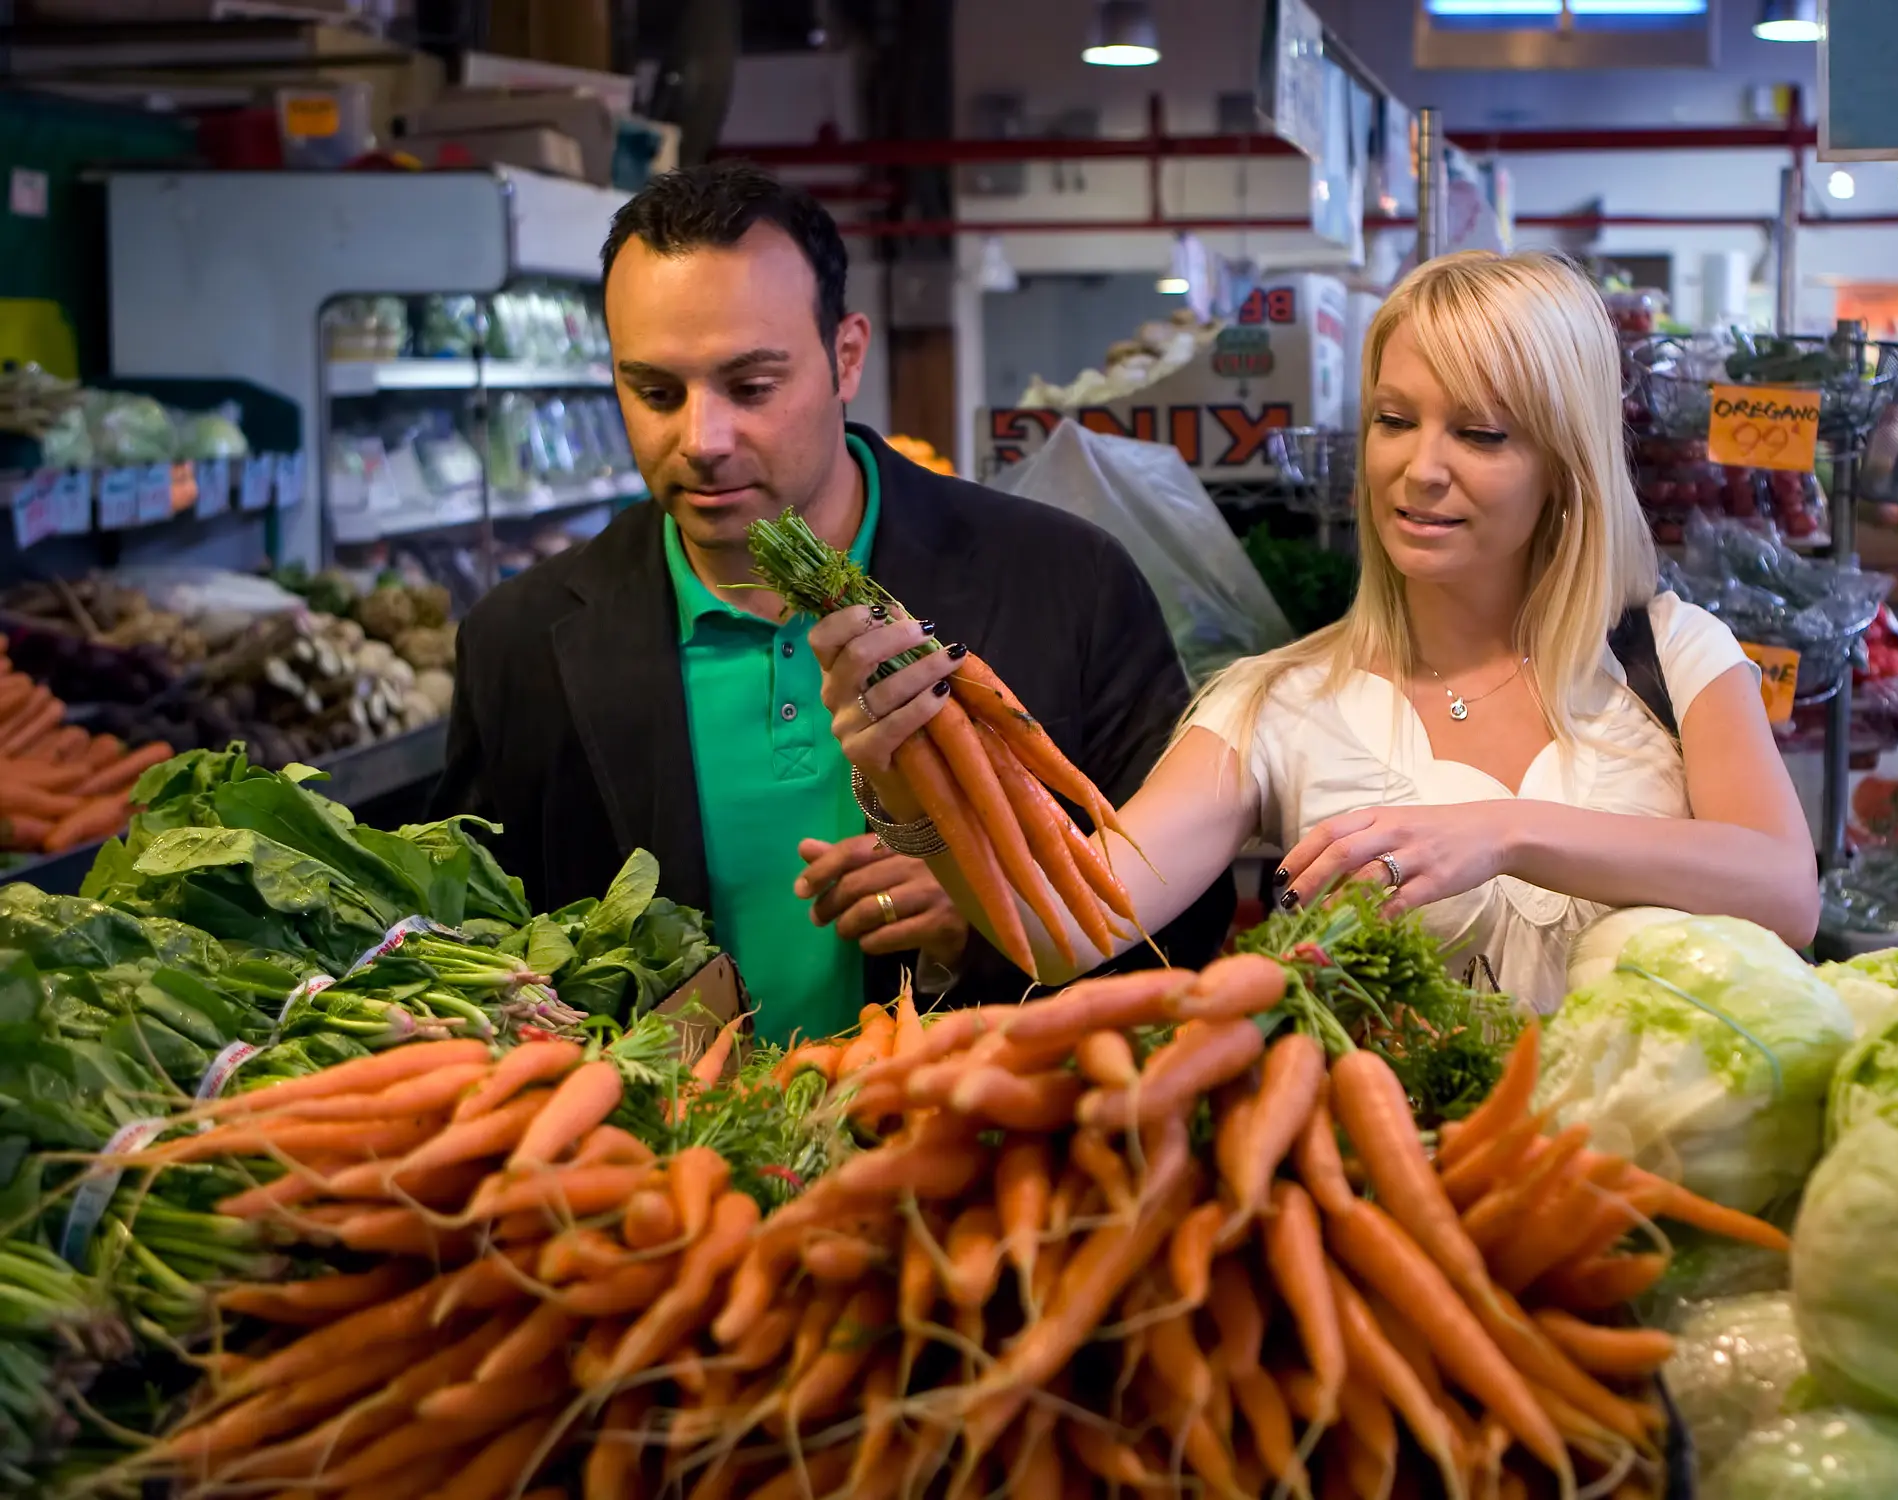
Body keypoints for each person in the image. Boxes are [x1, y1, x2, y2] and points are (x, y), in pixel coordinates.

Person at [814, 251, 1819, 1013]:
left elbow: (1781, 893)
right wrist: (913, 782)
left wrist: (1503, 834)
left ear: (1564, 466)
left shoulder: (1668, 656)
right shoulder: (1272, 703)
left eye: (1479, 434)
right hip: (1404, 1217)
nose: (1419, 468)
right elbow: (1061, 930)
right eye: (1393, 421)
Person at [435, 161, 1233, 1041]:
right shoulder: (519, 646)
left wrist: (997, 916)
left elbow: (1192, 936)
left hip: (974, 1150)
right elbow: (475, 955)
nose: (701, 440)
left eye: (751, 388)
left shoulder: (1063, 584)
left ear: (846, 357)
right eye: (656, 392)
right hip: (656, 1166)